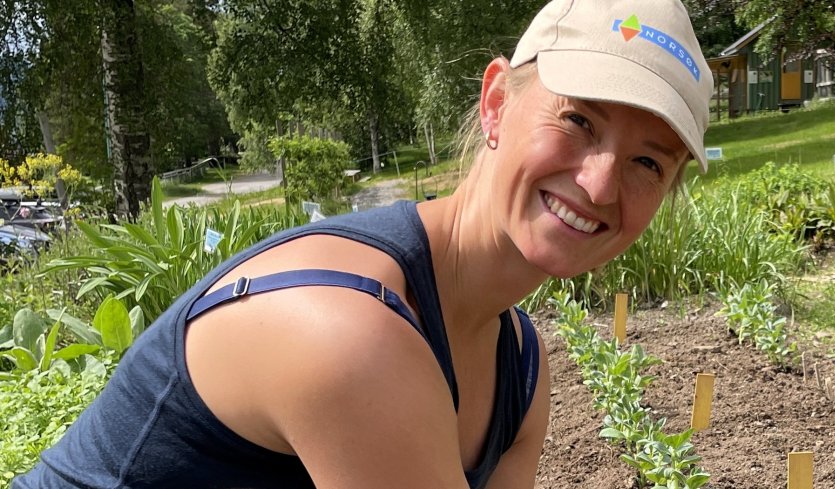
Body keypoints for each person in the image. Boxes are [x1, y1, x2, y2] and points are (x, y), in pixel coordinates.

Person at [14, 0, 712, 486]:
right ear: (496, 102)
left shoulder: (521, 370)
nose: (599, 183)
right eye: (579, 121)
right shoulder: (355, 330)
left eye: (648, 162)